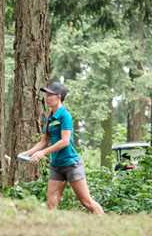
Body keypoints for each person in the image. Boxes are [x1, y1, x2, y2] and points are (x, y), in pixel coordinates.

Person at [19, 82, 104, 214]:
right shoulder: (50, 118)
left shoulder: (65, 116)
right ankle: (51, 230)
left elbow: (65, 141)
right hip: (56, 165)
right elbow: (44, 141)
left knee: (86, 201)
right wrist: (28, 153)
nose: (46, 98)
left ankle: (104, 222)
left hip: (71, 164)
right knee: (51, 202)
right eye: (46, 95)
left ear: (58, 96)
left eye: (49, 95)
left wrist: (43, 153)